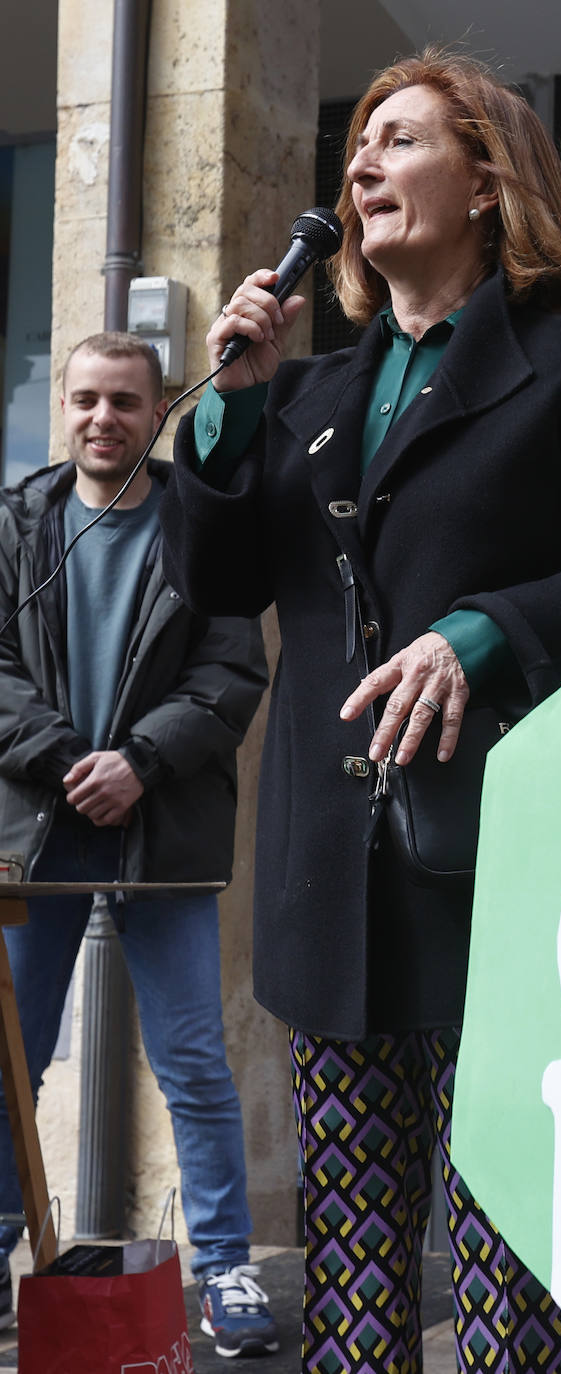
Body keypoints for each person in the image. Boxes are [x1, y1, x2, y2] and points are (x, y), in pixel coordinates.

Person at [159, 48, 561, 1374]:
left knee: (512, 1246)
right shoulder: (309, 395)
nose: (362, 163)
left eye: (399, 140)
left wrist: (487, 632)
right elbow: (216, 581)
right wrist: (228, 408)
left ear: (486, 179)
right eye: (359, 146)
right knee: (349, 1272)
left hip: (511, 868)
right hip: (329, 882)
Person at [0, 332, 278, 1358]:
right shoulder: (17, 525)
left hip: (161, 822)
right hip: (42, 824)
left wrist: (139, 764)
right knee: (8, 1062)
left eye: (125, 400)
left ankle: (225, 1267)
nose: (102, 418)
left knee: (195, 1062)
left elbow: (231, 673)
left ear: (157, 410)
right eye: (85, 399)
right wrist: (69, 758)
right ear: (60, 408)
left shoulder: (200, 525)